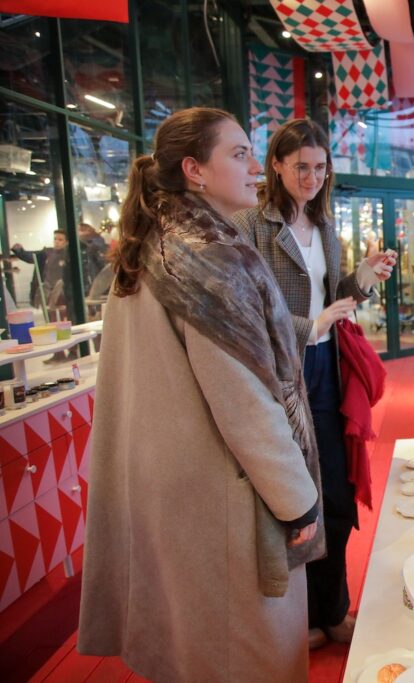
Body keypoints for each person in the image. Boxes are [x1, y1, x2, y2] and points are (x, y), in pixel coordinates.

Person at [78, 108, 324, 681]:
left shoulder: (155, 240)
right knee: (242, 650)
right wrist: (297, 497)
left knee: (189, 642)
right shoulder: (209, 260)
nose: (254, 168)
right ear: (194, 169)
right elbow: (243, 401)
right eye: (238, 154)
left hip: (168, 479)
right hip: (216, 487)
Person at [233, 118, 395, 651]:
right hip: (280, 376)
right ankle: (297, 619)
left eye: (320, 167)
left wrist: (365, 277)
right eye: (300, 165)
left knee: (338, 496)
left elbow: (335, 295)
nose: (311, 176)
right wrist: (312, 326)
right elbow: (251, 311)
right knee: (291, 501)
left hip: (327, 371)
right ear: (276, 164)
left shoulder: (324, 225)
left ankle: (332, 610)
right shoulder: (252, 226)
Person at [12, 230, 71, 314]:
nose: (56, 242)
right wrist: (19, 251)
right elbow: (31, 256)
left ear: (66, 242)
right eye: (55, 239)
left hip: (62, 293)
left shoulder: (69, 255)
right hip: (47, 292)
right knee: (49, 317)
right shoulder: (46, 253)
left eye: (60, 240)